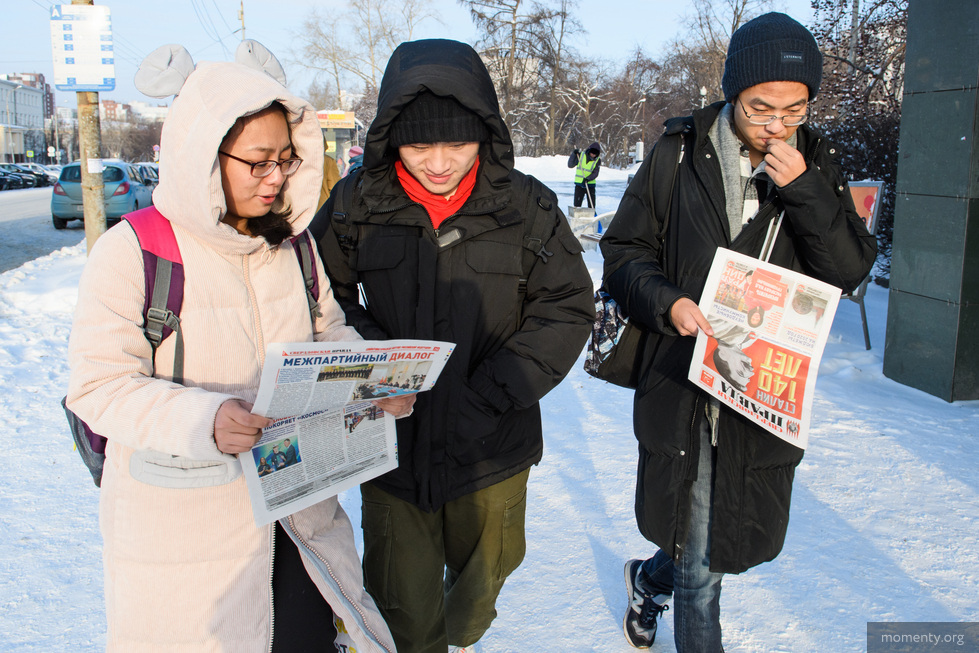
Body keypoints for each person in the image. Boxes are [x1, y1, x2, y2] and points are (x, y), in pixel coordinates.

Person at [66, 46, 398, 653]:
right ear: (202, 154)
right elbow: (98, 386)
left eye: (285, 159)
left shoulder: (294, 245)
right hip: (184, 532)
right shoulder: (134, 250)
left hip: (298, 514)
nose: (276, 177)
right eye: (258, 162)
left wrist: (373, 382)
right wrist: (207, 419)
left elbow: (328, 334)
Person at [600, 13, 877, 652]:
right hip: (684, 376)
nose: (777, 124)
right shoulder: (678, 152)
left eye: (795, 109)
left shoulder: (817, 160)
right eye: (761, 108)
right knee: (703, 571)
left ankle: (649, 579)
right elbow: (624, 251)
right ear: (733, 93)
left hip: (762, 385)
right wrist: (667, 300)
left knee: (716, 537)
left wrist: (804, 191)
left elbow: (848, 271)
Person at [311, 38, 594, 653]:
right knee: (404, 611)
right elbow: (318, 295)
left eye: (457, 145)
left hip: (492, 442)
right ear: (391, 139)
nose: (438, 163)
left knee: (479, 590)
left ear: (484, 134)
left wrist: (490, 393)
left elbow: (567, 306)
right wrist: (380, 366)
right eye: (419, 147)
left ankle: (460, 635)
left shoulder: (526, 206)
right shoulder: (357, 203)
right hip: (393, 445)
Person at [567, 141, 601, 208]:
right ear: (589, 151)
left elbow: (596, 172)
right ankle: (577, 214)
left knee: (591, 205)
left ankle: (592, 214)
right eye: (592, 153)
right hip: (579, 184)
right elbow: (570, 165)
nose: (593, 155)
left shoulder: (597, 160)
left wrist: (588, 178)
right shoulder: (580, 156)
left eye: (595, 154)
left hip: (590, 185)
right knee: (577, 205)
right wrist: (573, 154)